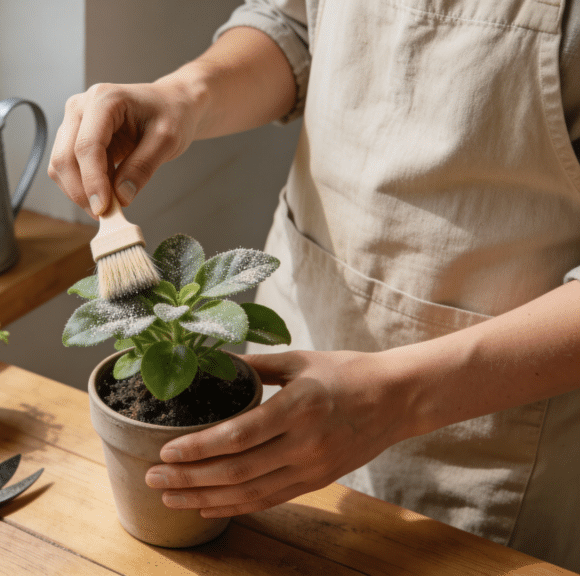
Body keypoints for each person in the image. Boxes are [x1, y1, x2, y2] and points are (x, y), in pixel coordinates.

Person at [47, 0, 580, 570]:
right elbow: (297, 23)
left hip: (490, 420)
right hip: (304, 330)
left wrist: (397, 396)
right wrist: (185, 94)